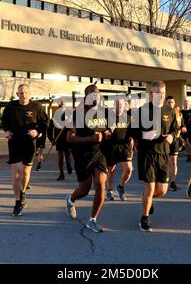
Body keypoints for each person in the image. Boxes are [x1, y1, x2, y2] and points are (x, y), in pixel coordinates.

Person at [130, 81, 179, 232]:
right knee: (150, 187)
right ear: (151, 94)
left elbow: (175, 129)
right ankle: (144, 218)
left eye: (163, 93)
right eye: (157, 93)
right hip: (147, 154)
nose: (161, 96)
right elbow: (131, 131)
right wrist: (144, 134)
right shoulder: (142, 110)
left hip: (163, 154)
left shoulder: (169, 111)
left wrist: (171, 136)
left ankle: (147, 197)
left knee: (162, 190)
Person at [65, 84, 112, 233]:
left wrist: (107, 133)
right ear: (86, 97)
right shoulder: (78, 114)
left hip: (99, 154)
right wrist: (91, 139)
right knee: (84, 190)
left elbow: (107, 131)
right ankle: (71, 200)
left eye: (98, 94)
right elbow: (70, 138)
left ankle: (93, 220)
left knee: (100, 183)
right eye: (92, 94)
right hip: (82, 156)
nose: (96, 97)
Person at [1, 84, 49, 217]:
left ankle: (23, 193)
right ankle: (17, 202)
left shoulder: (36, 107)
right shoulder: (11, 106)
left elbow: (45, 122)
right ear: (17, 94)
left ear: (29, 93)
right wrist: (7, 130)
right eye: (21, 93)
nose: (24, 95)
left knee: (26, 173)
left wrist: (37, 131)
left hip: (29, 144)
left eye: (26, 92)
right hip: (15, 142)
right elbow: (4, 120)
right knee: (17, 172)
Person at [104, 96, 133, 201]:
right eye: (117, 103)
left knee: (129, 169)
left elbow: (131, 135)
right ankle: (109, 190)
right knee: (111, 170)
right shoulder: (108, 116)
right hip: (111, 146)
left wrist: (132, 147)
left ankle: (121, 186)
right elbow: (104, 134)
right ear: (114, 104)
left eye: (121, 104)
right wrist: (109, 131)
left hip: (124, 146)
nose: (119, 106)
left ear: (124, 105)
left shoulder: (128, 118)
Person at [47, 100, 73, 181]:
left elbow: (74, 126)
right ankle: (61, 174)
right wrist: (52, 139)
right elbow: (50, 129)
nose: (62, 105)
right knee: (60, 157)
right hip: (58, 138)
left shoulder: (69, 114)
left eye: (63, 104)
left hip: (67, 138)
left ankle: (68, 163)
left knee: (67, 155)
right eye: (60, 104)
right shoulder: (55, 115)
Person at [165, 96, 184, 191]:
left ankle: (172, 182)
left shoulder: (178, 114)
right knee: (164, 161)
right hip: (164, 140)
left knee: (173, 161)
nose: (170, 104)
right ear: (165, 103)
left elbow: (181, 125)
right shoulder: (162, 113)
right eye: (168, 102)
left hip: (175, 139)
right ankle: (164, 180)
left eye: (172, 102)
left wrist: (184, 128)